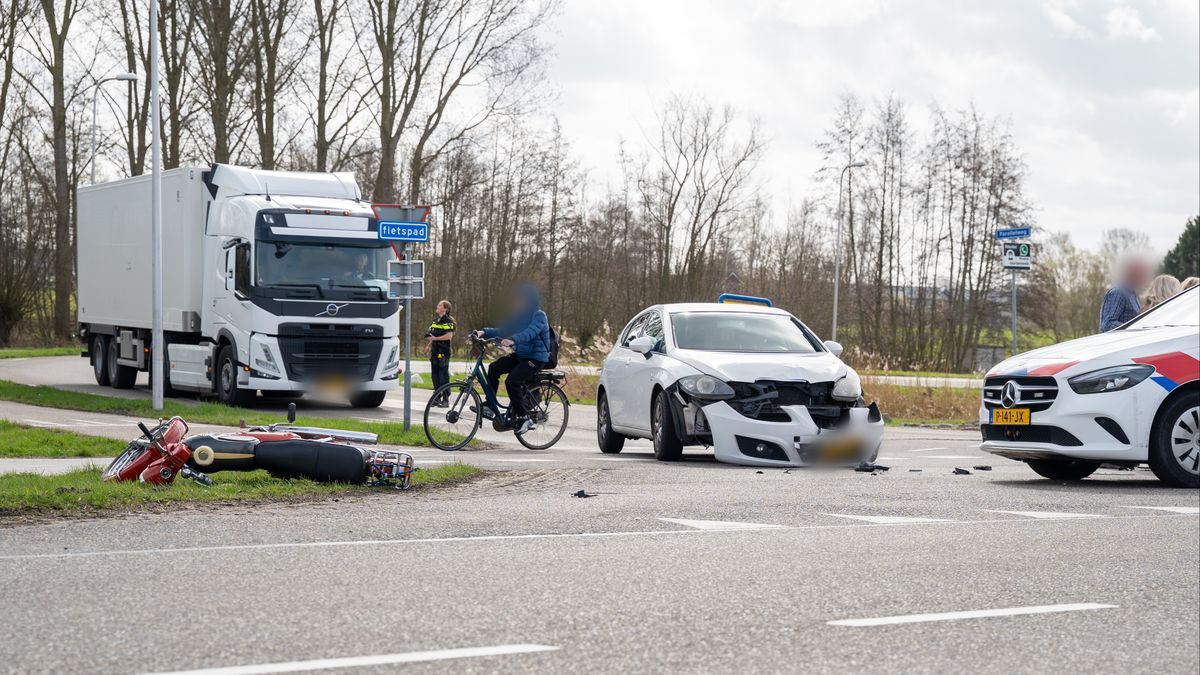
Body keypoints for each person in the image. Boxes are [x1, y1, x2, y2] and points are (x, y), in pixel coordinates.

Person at [474, 284, 550, 433]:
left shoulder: (539, 315)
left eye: (521, 298)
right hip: (521, 356)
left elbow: (530, 332)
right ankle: (490, 405)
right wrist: (484, 332)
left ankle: (524, 417)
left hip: (536, 358)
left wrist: (513, 339)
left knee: (512, 381)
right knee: (494, 368)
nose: (518, 301)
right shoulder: (519, 316)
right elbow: (504, 329)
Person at [1098, 254, 1151, 332]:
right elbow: (1107, 324)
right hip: (1120, 340)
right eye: (1140, 273)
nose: (1144, 277)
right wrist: (1133, 329)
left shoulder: (1132, 294)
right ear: (1130, 273)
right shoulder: (1118, 292)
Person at [425, 300, 455, 407]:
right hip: (435, 351)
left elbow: (449, 336)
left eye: (440, 305)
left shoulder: (448, 321)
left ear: (445, 309)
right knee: (435, 374)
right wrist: (429, 345)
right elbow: (432, 336)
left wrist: (435, 339)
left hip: (443, 351)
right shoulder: (435, 321)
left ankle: (445, 399)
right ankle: (437, 398)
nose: (437, 306)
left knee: (443, 375)